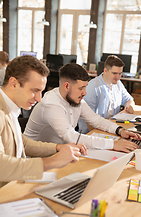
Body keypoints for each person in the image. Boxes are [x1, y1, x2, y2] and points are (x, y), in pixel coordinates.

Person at [0, 55, 87, 188]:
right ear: (13, 84)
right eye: (35, 91)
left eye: (41, 91)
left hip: (15, 185)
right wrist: (53, 161)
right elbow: (2, 166)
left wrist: (58, 148)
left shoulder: (11, 107)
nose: (39, 99)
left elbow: (21, 143)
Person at [24, 63, 140, 154]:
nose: (84, 93)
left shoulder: (75, 98)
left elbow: (96, 120)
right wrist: (114, 144)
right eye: (81, 88)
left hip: (61, 152)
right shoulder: (51, 104)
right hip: (37, 159)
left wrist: (120, 130)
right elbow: (71, 137)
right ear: (67, 86)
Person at [78, 55, 135, 134]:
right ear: (105, 71)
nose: (118, 77)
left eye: (120, 73)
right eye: (115, 73)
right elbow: (89, 120)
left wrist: (129, 106)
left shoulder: (118, 84)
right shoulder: (92, 87)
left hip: (111, 128)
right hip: (92, 133)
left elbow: (129, 99)